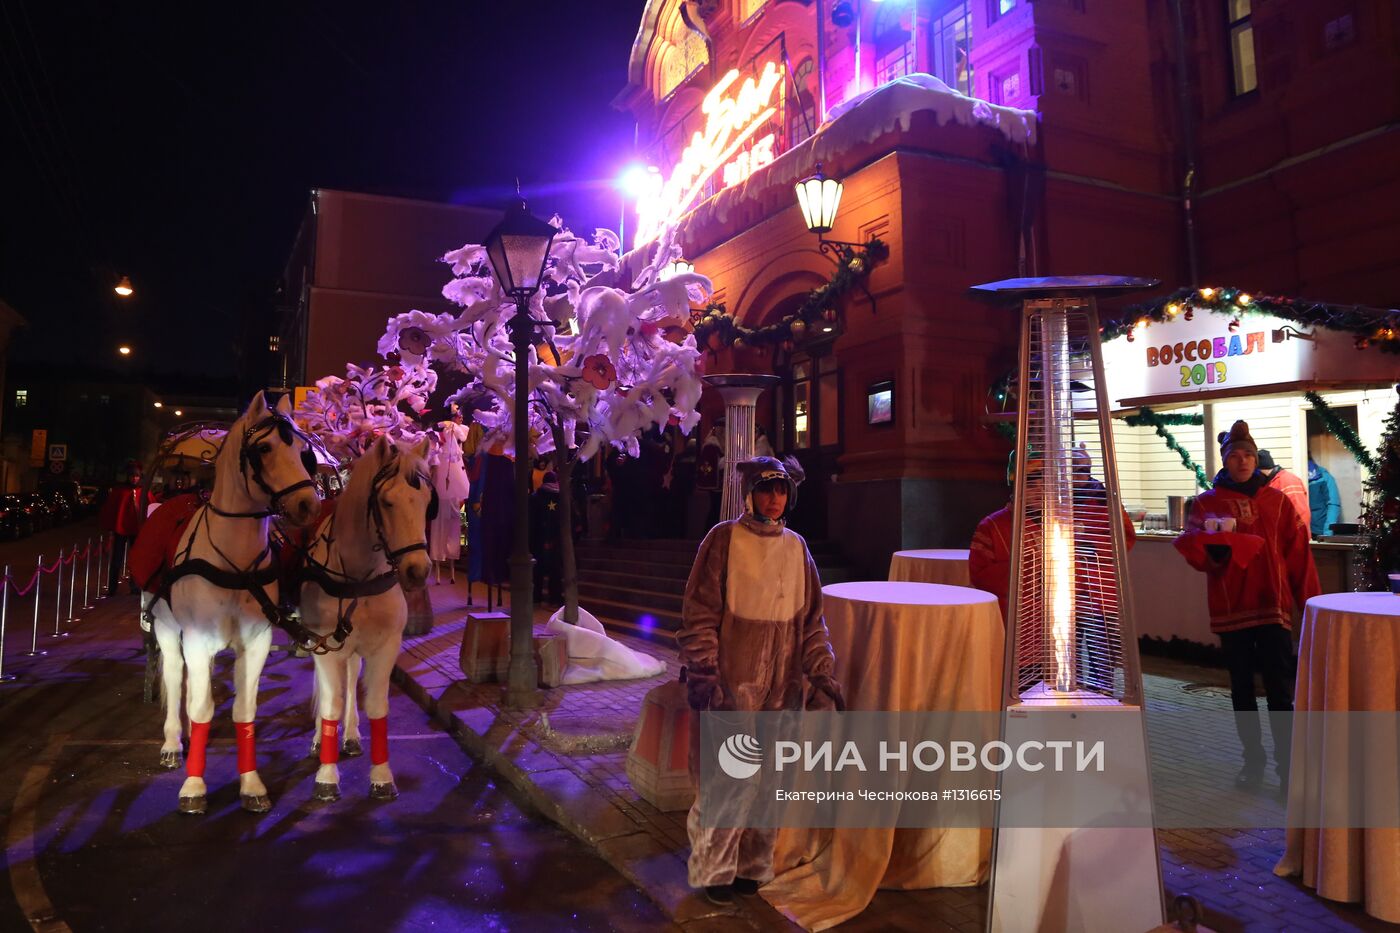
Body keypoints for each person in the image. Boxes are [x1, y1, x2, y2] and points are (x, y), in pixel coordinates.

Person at [677, 456, 843, 906]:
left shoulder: (797, 548)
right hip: (733, 687)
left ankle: (753, 865)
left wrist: (820, 670)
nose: (774, 498)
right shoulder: (723, 540)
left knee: (772, 779)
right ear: (749, 493)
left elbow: (812, 623)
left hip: (783, 689)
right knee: (728, 780)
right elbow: (700, 613)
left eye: (782, 490)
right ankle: (715, 867)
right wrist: (705, 671)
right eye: (766, 489)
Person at [1175, 421, 1319, 788]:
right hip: (1231, 608)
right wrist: (1215, 553)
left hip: (1274, 607)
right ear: (1225, 460)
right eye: (1235, 456)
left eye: (1249, 455)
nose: (1243, 462)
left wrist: (1312, 606)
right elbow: (1196, 555)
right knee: (1241, 690)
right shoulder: (1207, 504)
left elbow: (1299, 555)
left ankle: (1288, 770)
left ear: (1257, 460)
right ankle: (1251, 764)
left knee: (1280, 693)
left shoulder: (1279, 502)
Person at [98, 466, 143, 594]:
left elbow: (149, 509)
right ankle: (112, 588)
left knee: (135, 560)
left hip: (136, 530)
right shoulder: (120, 491)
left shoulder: (143, 492)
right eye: (132, 476)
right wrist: (111, 529)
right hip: (121, 529)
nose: (134, 478)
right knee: (116, 559)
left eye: (137, 476)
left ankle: (135, 586)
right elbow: (112, 510)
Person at [1256, 450, 1310, 536]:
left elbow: (1301, 515)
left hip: (1293, 540)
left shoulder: (1287, 481)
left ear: (1259, 471)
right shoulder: (1271, 482)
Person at [529, 471, 562, 605]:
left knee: (538, 571)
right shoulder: (561, 496)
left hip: (538, 539)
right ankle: (554, 598)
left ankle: (536, 597)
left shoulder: (534, 497)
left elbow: (529, 520)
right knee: (555, 571)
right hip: (556, 539)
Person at [1307, 456, 1341, 537]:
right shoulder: (1296, 475)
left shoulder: (1324, 477)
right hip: (1301, 531)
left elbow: (1333, 505)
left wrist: (1327, 534)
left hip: (1319, 532)